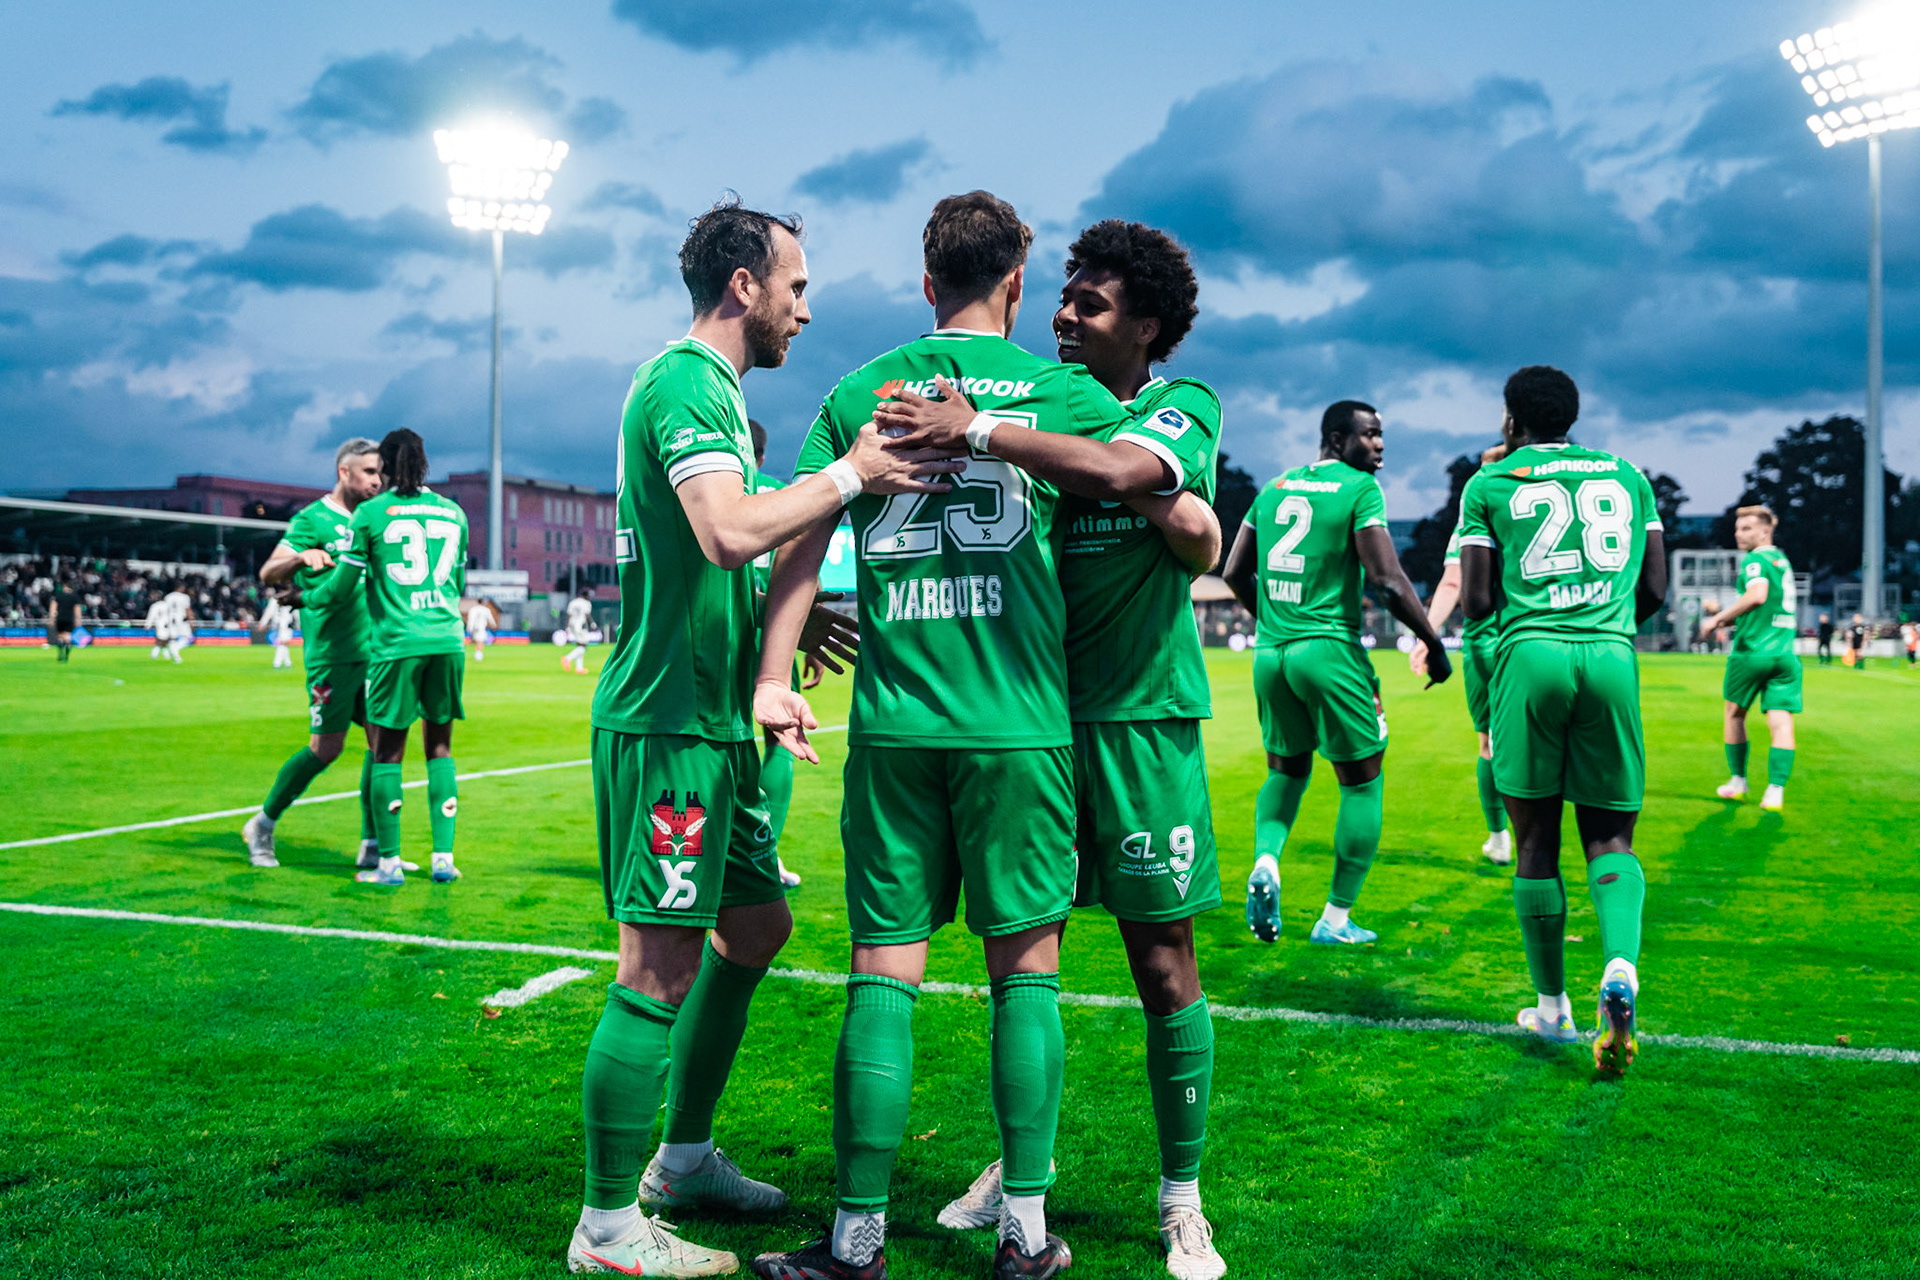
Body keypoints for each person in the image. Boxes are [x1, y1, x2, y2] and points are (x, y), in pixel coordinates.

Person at [752, 192, 1202, 1280]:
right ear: (1015, 283)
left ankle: (857, 1240)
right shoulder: (1067, 393)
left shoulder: (860, 389)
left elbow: (799, 539)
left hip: (895, 724)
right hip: (1019, 728)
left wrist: (772, 674)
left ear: (925, 282)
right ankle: (1026, 1235)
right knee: (1025, 979)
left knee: (881, 976)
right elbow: (1161, 503)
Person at [569, 197, 963, 1279]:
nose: (804, 308)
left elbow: (711, 558)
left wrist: (772, 645)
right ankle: (606, 1228)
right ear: (743, 284)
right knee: (657, 967)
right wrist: (852, 475)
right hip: (668, 725)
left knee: (756, 927)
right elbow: (724, 530)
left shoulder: (715, 394)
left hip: (711, 719)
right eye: (795, 286)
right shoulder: (688, 380)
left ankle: (682, 1159)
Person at [882, 219, 1229, 1280]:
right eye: (1065, 296)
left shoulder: (1180, 406)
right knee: (1026, 962)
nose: (1067, 315)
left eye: (1094, 303)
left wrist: (980, 430)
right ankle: (1018, 1168)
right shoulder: (1038, 411)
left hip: (1138, 725)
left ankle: (1182, 1197)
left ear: (1149, 327)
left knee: (1162, 962)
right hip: (1027, 724)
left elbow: (1122, 470)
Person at [1457, 365, 1667, 1073]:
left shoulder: (1490, 482)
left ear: (1512, 417)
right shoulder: (1627, 475)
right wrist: (1602, 623)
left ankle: (1552, 1010)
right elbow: (1656, 586)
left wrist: (1536, 621)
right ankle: (1620, 968)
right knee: (1610, 837)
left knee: (1535, 842)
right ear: (1572, 415)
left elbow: (1477, 601)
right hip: (1610, 654)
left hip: (1531, 657)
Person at [1222, 402, 1452, 948]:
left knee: (1285, 771)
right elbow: (1388, 580)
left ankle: (1266, 861)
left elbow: (1233, 572)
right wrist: (1432, 640)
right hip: (1330, 652)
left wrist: (1274, 622)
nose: (1379, 445)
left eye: (1381, 435)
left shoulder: (1274, 488)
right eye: (1370, 434)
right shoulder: (1359, 489)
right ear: (1336, 438)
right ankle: (1335, 917)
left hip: (1272, 654)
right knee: (1362, 780)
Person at [298, 429, 470, 888]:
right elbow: (457, 583)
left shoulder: (371, 514)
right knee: (440, 747)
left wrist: (305, 596)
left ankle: (388, 864)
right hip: (447, 639)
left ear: (386, 467)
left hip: (397, 643)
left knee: (387, 751)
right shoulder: (454, 512)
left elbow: (340, 589)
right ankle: (443, 859)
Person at [241, 438, 390, 872]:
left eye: (380, 473)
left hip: (376, 650)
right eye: (369, 472)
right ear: (344, 472)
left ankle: (373, 844)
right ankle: (263, 824)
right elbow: (269, 571)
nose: (378, 481)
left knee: (383, 744)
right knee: (326, 749)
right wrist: (300, 558)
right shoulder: (314, 518)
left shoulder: (376, 518)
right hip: (333, 653)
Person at [1411, 443, 1513, 865]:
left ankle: (1500, 837)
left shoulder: (1474, 515)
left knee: (1489, 743)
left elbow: (1452, 583)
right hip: (1537, 637)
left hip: (1485, 642)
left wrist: (1427, 635)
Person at [748, 418, 825, 892]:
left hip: (720, 631)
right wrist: (807, 637)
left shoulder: (713, 490)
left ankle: (710, 851)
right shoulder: (781, 493)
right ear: (762, 455)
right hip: (775, 635)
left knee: (720, 744)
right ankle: (764, 855)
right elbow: (803, 567)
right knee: (780, 742)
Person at [1701, 506, 1800, 812]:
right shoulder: (1781, 560)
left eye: (1746, 528)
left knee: (1734, 714)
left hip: (1752, 653)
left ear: (1765, 532)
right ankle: (1775, 791)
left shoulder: (1755, 560)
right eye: (1737, 528)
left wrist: (1717, 618)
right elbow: (1764, 606)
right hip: (1785, 654)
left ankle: (1738, 782)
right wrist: (1729, 619)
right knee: (1781, 721)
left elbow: (1757, 595)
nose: (1738, 534)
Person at [257, 596, 297, 669]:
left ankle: (287, 662)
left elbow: (269, 611)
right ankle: (277, 663)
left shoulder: (274, 599)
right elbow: (295, 611)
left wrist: (263, 622)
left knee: (284, 643)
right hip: (286, 622)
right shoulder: (290, 597)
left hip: (279, 622)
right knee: (283, 642)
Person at [564, 591, 595, 673]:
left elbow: (569, 615)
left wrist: (567, 627)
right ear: (586, 595)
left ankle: (579, 668)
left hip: (572, 624)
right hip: (580, 625)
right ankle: (567, 658)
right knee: (583, 646)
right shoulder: (586, 603)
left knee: (579, 645)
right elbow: (586, 614)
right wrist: (592, 624)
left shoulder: (573, 602)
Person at [50, 580, 82, 663]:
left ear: (64, 587)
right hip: (69, 619)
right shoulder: (75, 597)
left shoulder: (58, 596)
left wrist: (52, 619)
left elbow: (53, 608)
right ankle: (66, 655)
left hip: (60, 618)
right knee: (68, 637)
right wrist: (78, 620)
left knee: (60, 636)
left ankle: (60, 654)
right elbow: (77, 610)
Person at [162, 582, 193, 662]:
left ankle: (175, 656)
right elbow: (187, 609)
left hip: (171, 619)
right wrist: (190, 621)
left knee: (173, 638)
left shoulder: (168, 597)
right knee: (189, 638)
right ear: (180, 588)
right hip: (181, 619)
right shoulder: (185, 597)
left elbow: (165, 609)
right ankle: (175, 650)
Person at [146, 590, 171, 659]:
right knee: (163, 640)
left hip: (159, 624)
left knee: (161, 640)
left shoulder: (155, 606)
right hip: (167, 624)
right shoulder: (167, 605)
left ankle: (157, 654)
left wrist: (148, 624)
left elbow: (151, 616)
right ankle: (161, 654)